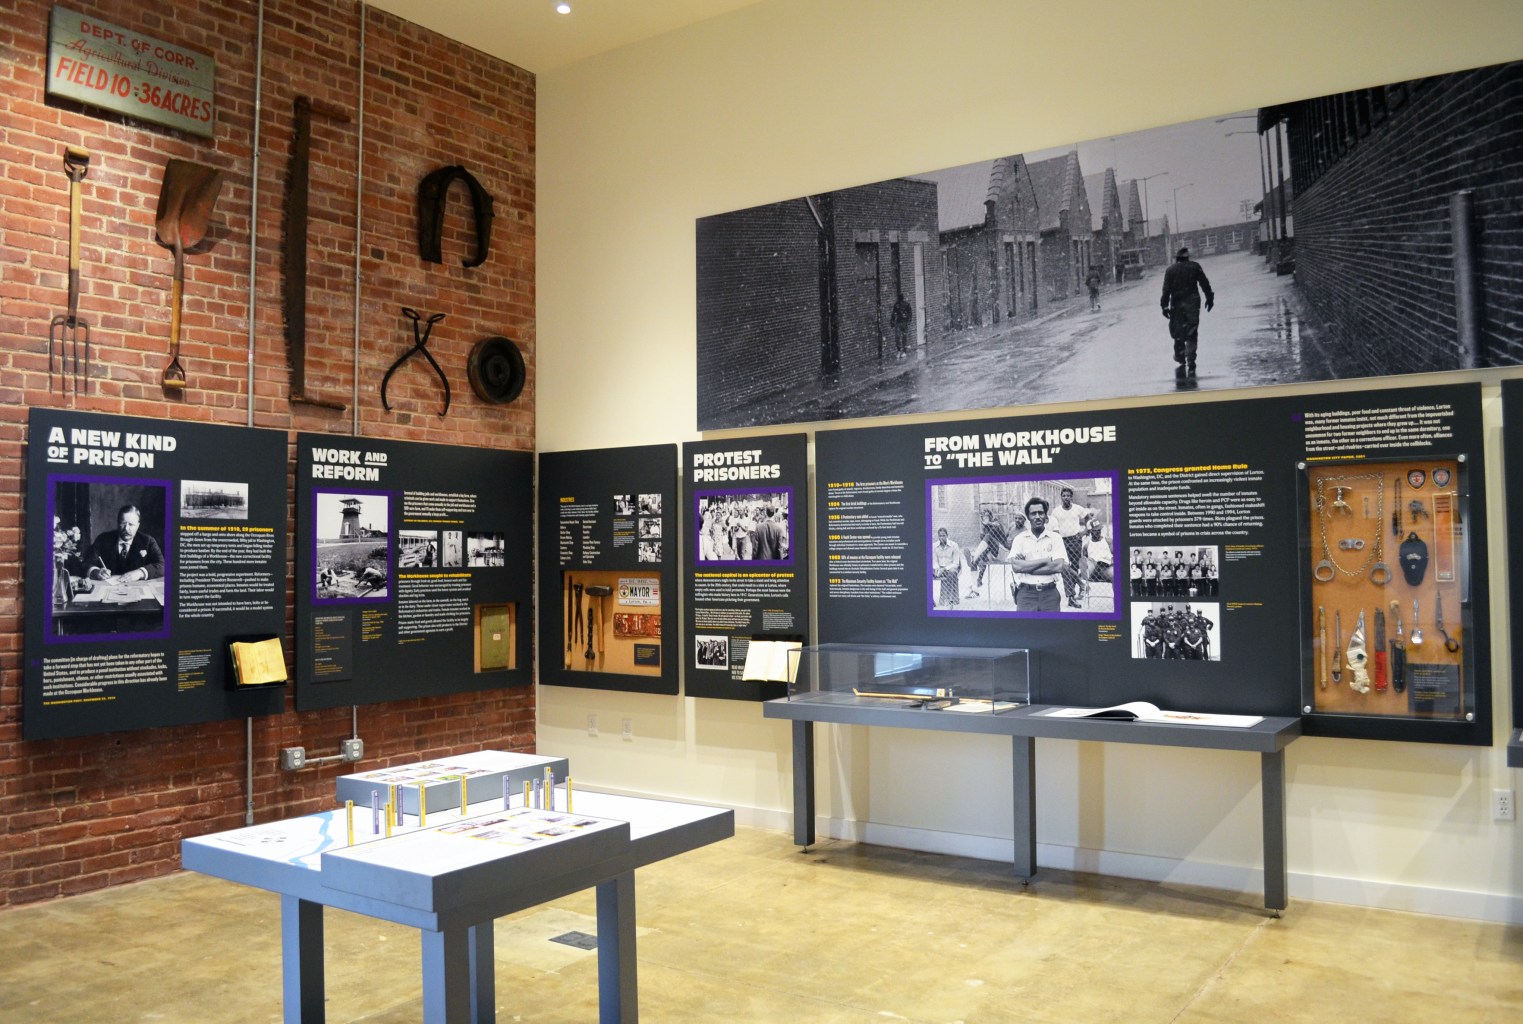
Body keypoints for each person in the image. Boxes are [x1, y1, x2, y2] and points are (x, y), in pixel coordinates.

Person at [1160, 246, 1214, 379]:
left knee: (1178, 332)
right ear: (1187, 258)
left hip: (1177, 304)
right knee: (1192, 331)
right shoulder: (1195, 267)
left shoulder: (1170, 270)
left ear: (1176, 258)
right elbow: (1204, 283)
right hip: (1192, 303)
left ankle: (1180, 356)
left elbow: (1166, 290)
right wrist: (1209, 298)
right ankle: (1191, 360)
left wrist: (1164, 306)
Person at [1007, 496, 1067, 612]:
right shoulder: (1020, 539)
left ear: (1046, 516)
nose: (1037, 517)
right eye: (1033, 514)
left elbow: (1058, 566)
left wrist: (1026, 566)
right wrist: (1045, 560)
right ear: (1028, 517)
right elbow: (1016, 567)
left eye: (1041, 513)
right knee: (1025, 629)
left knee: (1051, 629)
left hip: (1049, 594)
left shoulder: (1056, 538)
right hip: (1026, 594)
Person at [76, 504, 164, 582]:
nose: (126, 528)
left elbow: (162, 566)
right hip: (107, 590)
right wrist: (95, 571)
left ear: (138, 525)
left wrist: (140, 573)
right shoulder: (103, 539)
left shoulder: (148, 541)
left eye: (131, 524)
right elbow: (86, 563)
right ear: (117, 523)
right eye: (123, 523)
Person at [1046, 486, 1095, 608]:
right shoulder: (1056, 511)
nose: (1066, 498)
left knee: (1074, 566)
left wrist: (1085, 531)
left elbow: (1088, 518)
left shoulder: (1078, 508)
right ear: (1061, 497)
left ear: (1071, 497)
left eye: (1068, 495)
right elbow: (1052, 525)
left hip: (1075, 539)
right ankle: (1081, 587)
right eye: (1064, 496)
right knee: (1065, 566)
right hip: (1061, 541)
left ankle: (1076, 593)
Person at [965, 507, 1011, 598]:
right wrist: (983, 530)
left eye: (986, 516)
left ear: (990, 516)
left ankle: (974, 557)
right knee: (975, 562)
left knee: (988, 537)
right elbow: (984, 546)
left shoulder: (997, 523)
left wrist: (988, 523)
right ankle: (975, 590)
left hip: (1004, 553)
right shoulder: (985, 529)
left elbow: (997, 527)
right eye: (982, 516)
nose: (983, 518)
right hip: (993, 553)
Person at [931, 527, 964, 609]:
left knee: (952, 573)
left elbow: (956, 563)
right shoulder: (934, 546)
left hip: (950, 567)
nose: (941, 538)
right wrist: (937, 569)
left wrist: (944, 569)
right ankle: (930, 600)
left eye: (943, 535)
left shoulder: (954, 545)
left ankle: (951, 600)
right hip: (939, 568)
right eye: (940, 536)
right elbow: (934, 561)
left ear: (947, 535)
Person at [890, 293, 913, 360]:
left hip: (904, 322)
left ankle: (904, 351)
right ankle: (899, 350)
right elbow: (893, 313)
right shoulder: (896, 305)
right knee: (898, 336)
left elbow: (910, 313)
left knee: (904, 337)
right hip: (899, 322)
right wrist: (892, 321)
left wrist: (909, 320)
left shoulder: (906, 304)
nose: (900, 299)